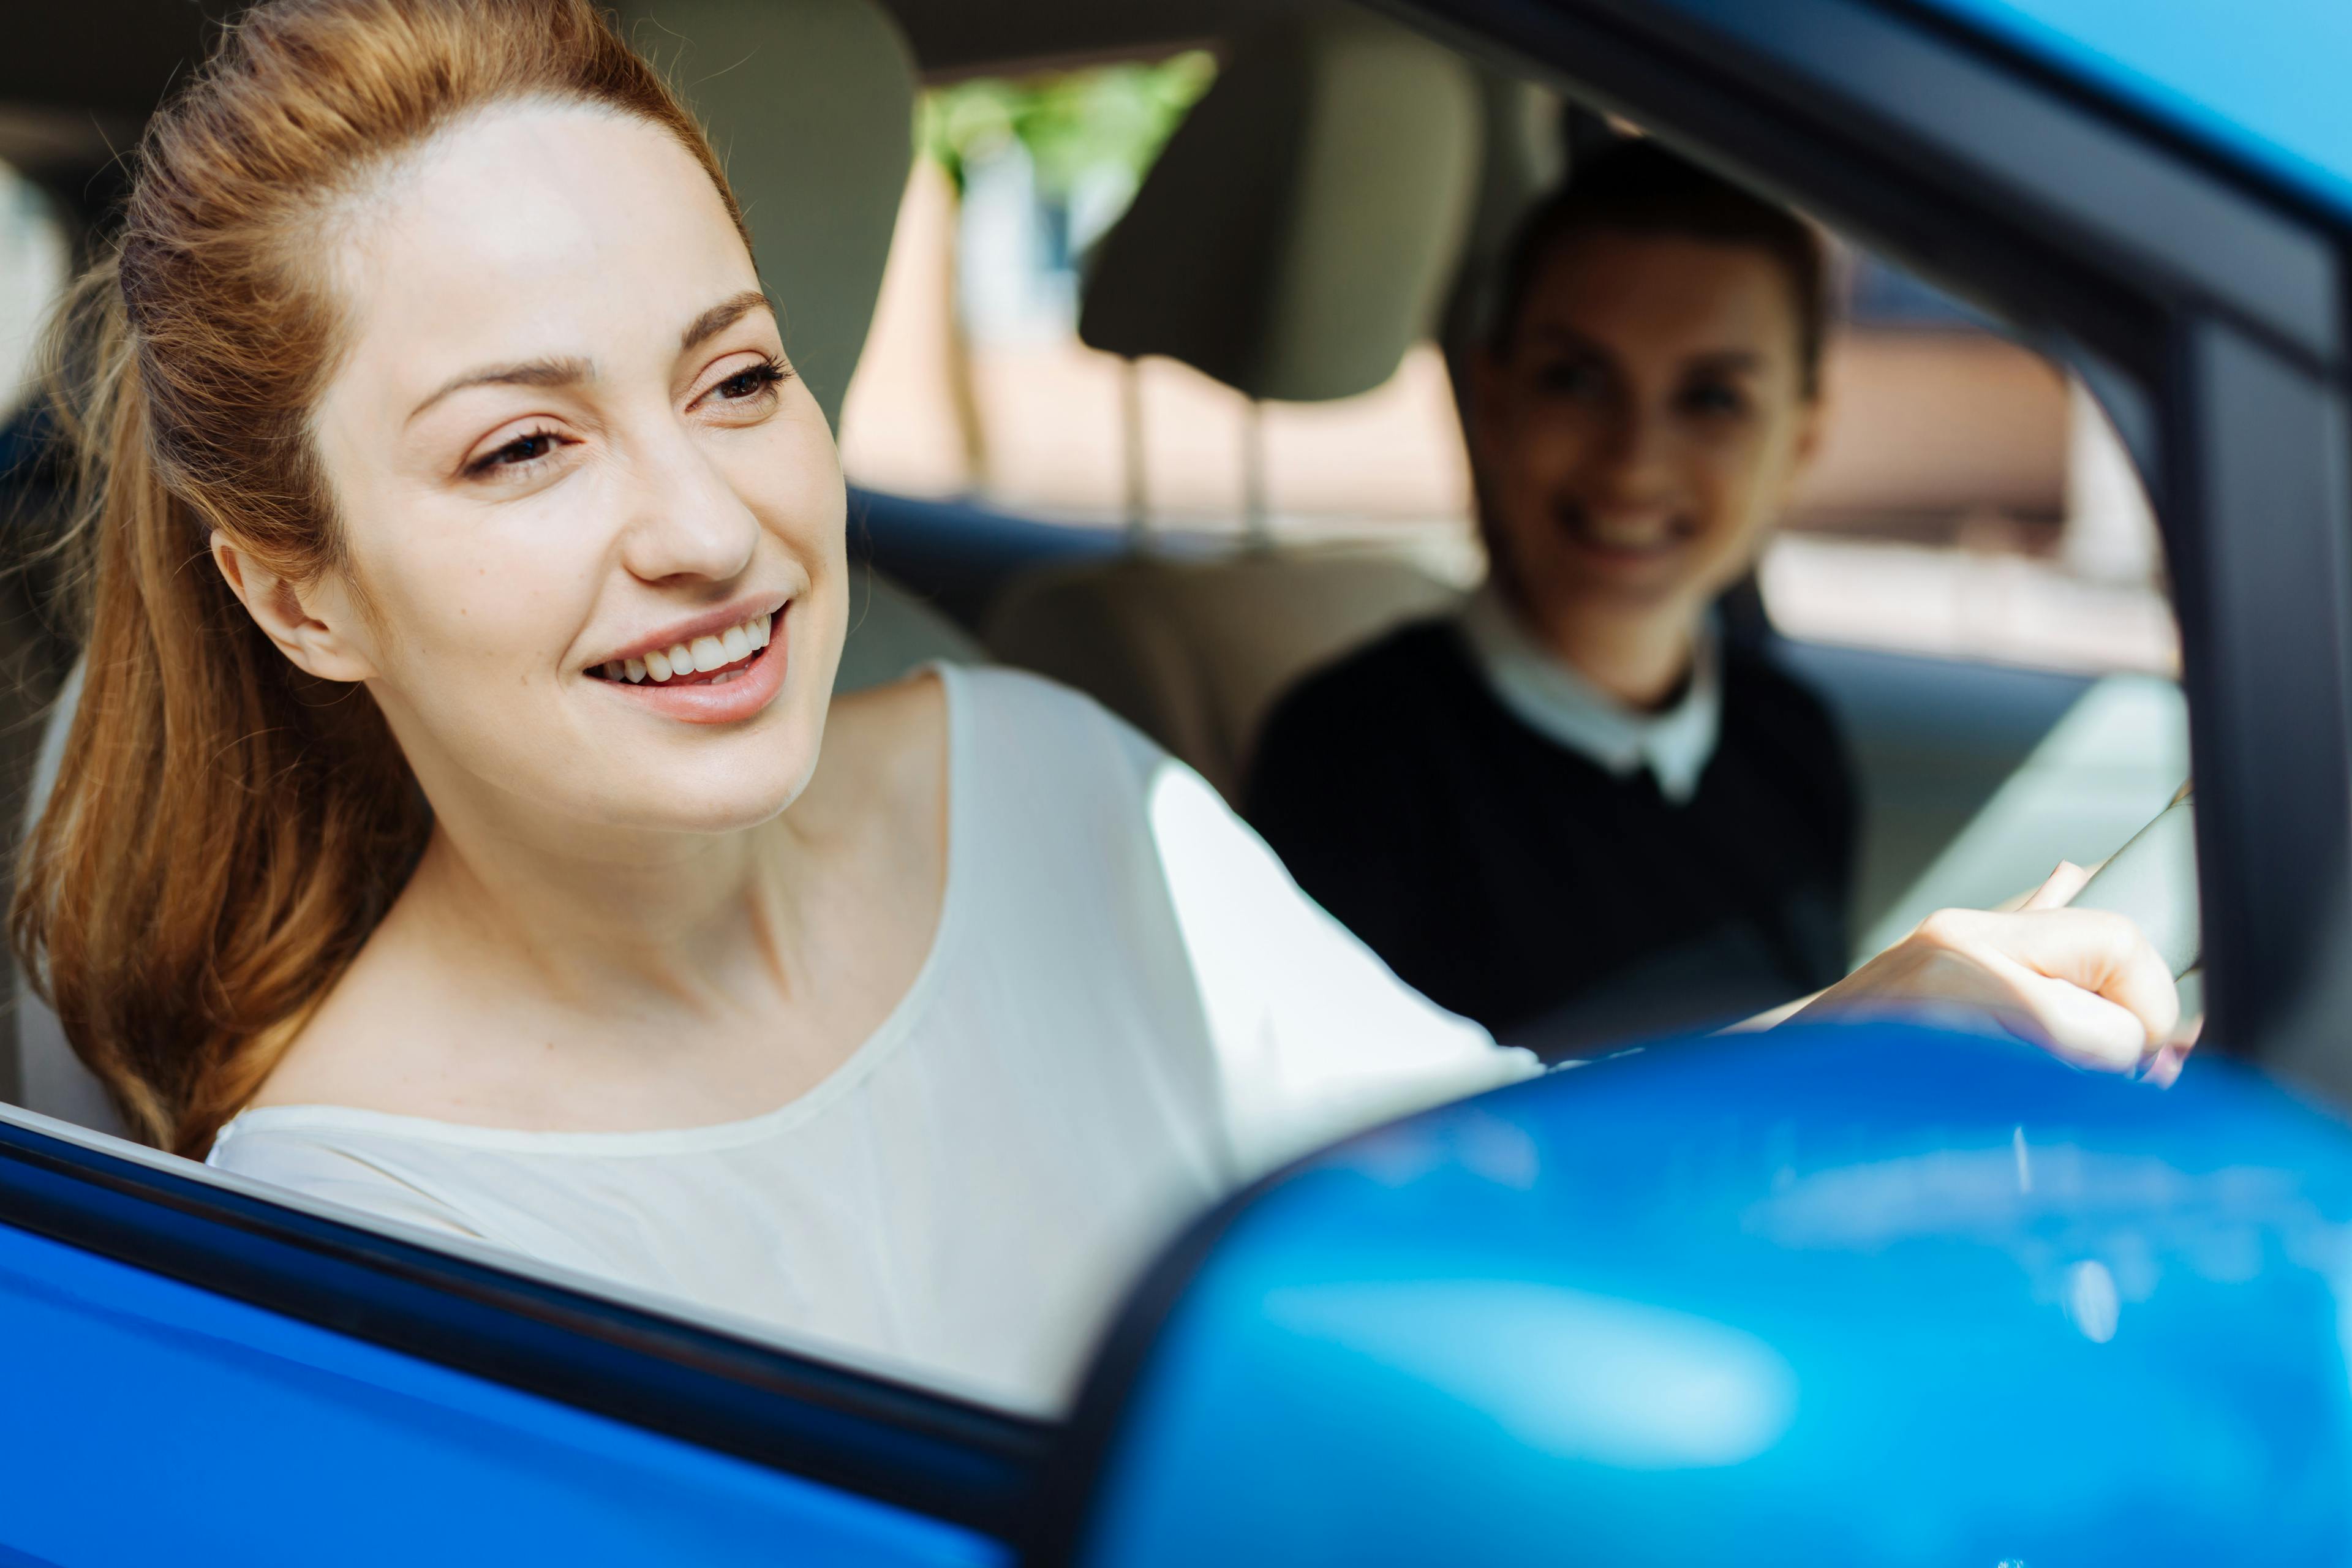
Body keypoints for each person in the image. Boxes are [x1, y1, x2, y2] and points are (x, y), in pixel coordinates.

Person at [13, 0, 2177, 1412]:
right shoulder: (356, 1250)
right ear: (299, 595)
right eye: (522, 449)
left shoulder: (1039, 775)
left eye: (737, 378)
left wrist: (1876, 1034)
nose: (710, 526)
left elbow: (1476, 1173)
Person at [1248, 142, 1856, 1055]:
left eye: (1713, 400)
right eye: (1576, 381)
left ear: (1801, 443)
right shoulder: (1353, 759)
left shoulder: (1794, 743)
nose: (1634, 465)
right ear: (1495, 402)